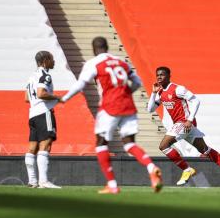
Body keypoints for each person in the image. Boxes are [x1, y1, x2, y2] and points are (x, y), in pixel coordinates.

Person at [61, 37, 162, 194]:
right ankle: (151, 167)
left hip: (109, 107)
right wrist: (126, 93)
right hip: (128, 105)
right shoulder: (120, 61)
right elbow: (137, 81)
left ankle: (112, 185)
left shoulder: (94, 63)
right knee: (129, 144)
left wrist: (64, 98)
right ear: (107, 47)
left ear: (94, 49)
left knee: (101, 143)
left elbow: (81, 84)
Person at [147, 66, 220, 187]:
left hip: (184, 123)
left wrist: (189, 120)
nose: (159, 77)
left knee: (164, 146)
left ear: (169, 76)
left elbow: (196, 100)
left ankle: (187, 170)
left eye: (162, 75)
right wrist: (153, 93)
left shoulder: (178, 89)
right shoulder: (160, 93)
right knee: (204, 150)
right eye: (157, 75)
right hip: (183, 125)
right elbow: (150, 109)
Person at [24, 51, 62, 189]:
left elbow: (26, 98)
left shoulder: (31, 77)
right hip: (44, 112)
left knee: (32, 148)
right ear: (45, 60)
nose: (54, 62)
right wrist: (57, 97)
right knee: (45, 145)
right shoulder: (45, 75)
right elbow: (41, 93)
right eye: (52, 59)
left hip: (32, 114)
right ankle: (44, 181)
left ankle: (32, 181)